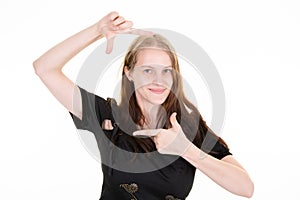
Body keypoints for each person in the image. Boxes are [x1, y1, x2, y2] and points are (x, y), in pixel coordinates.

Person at [33, 11, 254, 200]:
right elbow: (45, 68)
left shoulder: (188, 126)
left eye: (166, 70)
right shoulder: (107, 116)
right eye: (148, 70)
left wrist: (186, 149)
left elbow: (245, 187)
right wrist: (97, 30)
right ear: (130, 73)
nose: (159, 79)